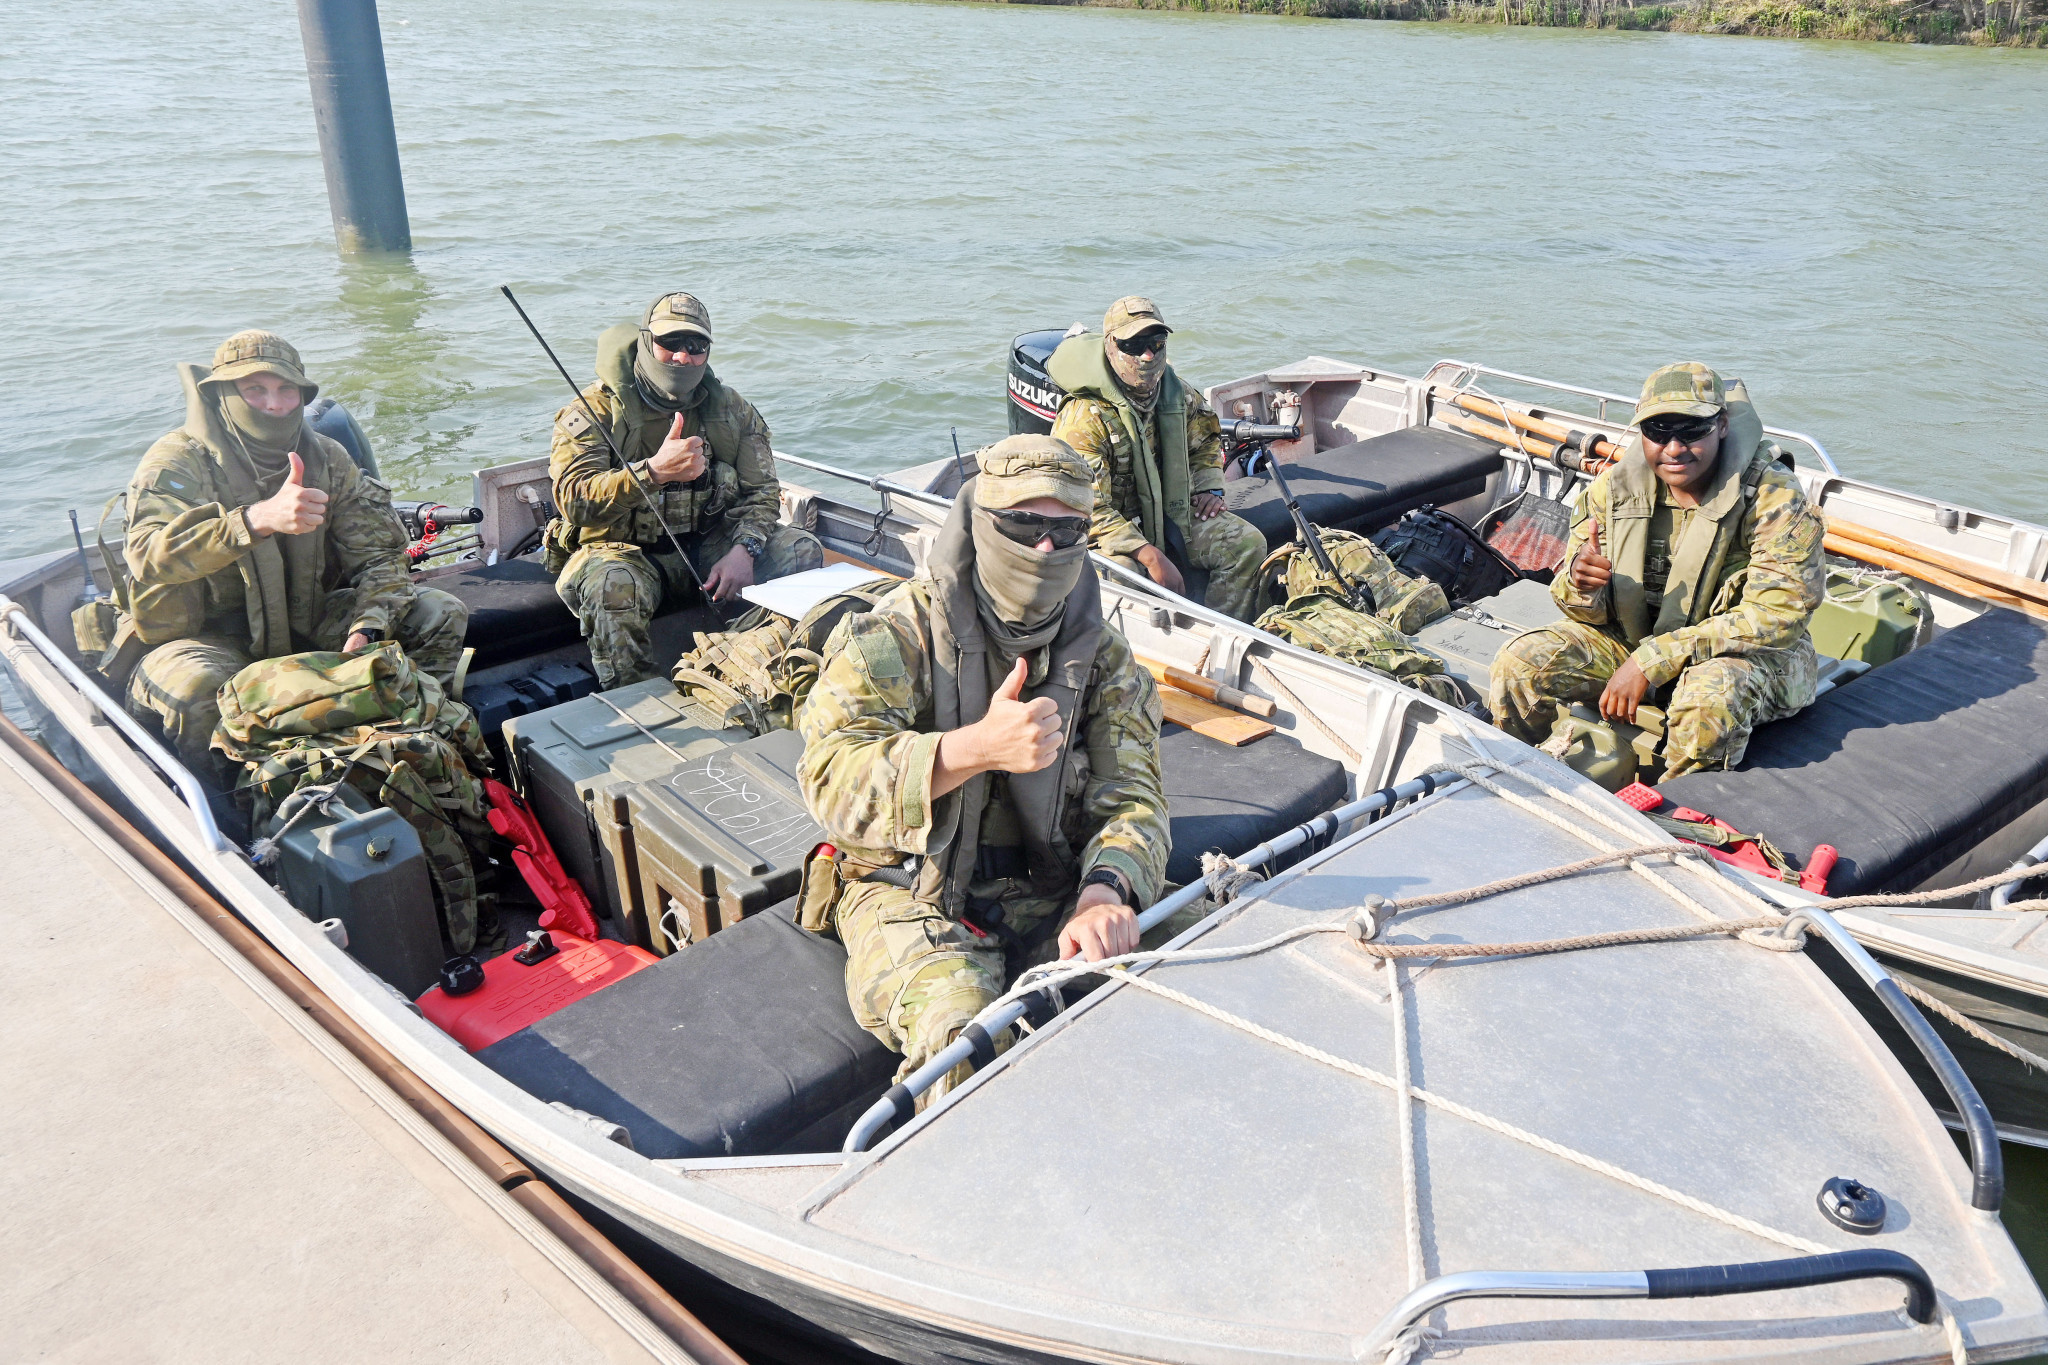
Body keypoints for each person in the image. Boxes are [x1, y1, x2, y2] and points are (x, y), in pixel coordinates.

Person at [796, 434, 1170, 1098]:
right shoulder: (898, 634)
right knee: (961, 1038)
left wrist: (1106, 892)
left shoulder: (1104, 658)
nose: (1046, 547)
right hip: (909, 889)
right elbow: (827, 779)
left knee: (1191, 961)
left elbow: (1134, 795)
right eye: (1024, 524)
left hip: (1053, 886)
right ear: (979, 522)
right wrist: (971, 749)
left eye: (1066, 528)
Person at [120, 330, 467, 768]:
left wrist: (369, 628)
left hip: (308, 618)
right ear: (223, 395)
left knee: (439, 613)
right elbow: (149, 558)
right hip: (212, 636)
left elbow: (381, 556)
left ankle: (420, 748)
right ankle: (222, 796)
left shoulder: (327, 457)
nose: (274, 405)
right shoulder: (178, 462)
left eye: (287, 390)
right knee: (198, 689)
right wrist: (254, 521)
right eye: (255, 390)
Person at [1489, 363, 1826, 778]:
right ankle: (1510, 778)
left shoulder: (1772, 497)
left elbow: (1779, 616)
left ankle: (1679, 820)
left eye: (1692, 431)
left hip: (1747, 657)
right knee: (1521, 663)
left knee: (1707, 700)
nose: (1674, 448)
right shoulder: (1611, 491)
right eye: (1658, 431)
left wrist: (1655, 659)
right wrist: (1581, 585)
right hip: (1635, 641)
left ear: (1721, 425)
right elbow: (1578, 609)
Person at [546, 291, 822, 688]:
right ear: (646, 342)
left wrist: (745, 551)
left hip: (710, 546)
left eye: (696, 346)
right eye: (669, 343)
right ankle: (636, 700)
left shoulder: (731, 410)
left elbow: (763, 493)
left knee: (800, 551)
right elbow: (573, 501)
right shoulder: (593, 411)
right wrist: (653, 472)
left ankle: (744, 668)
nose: (682, 357)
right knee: (612, 588)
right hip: (627, 554)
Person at [1046, 297, 1267, 622]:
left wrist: (1209, 489)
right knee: (1125, 574)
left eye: (1155, 343)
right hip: (1103, 530)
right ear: (1110, 347)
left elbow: (1205, 439)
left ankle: (1217, 637)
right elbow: (1083, 509)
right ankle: (1127, 656)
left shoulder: (1177, 394)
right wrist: (1148, 555)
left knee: (1246, 545)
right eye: (1133, 345)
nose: (1147, 355)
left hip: (1167, 511)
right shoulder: (1085, 418)